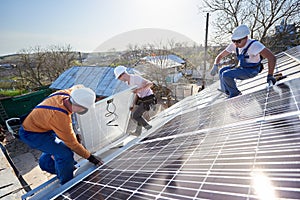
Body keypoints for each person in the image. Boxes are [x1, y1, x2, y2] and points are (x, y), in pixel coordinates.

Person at [18, 85, 103, 185]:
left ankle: (57, 165)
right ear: (78, 106)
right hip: (32, 134)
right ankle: (67, 183)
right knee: (65, 153)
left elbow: (78, 87)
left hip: (42, 125)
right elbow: (73, 144)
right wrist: (91, 158)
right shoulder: (60, 118)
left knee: (59, 149)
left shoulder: (66, 94)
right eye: (84, 108)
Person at [210, 24, 277, 98]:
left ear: (246, 38)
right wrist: (215, 65)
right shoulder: (234, 45)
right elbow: (220, 56)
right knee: (222, 70)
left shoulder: (254, 45)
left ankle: (235, 94)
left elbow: (271, 57)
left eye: (238, 41)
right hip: (242, 68)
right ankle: (227, 91)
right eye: (234, 41)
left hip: (252, 70)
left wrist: (270, 75)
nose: (236, 43)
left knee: (226, 74)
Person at [114, 66, 156, 136]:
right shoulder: (128, 83)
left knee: (135, 115)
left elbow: (150, 84)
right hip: (143, 99)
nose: (119, 79)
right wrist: (132, 105)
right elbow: (136, 94)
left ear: (123, 74)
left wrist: (139, 90)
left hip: (149, 98)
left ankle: (148, 127)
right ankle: (138, 132)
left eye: (119, 77)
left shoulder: (135, 78)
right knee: (138, 115)